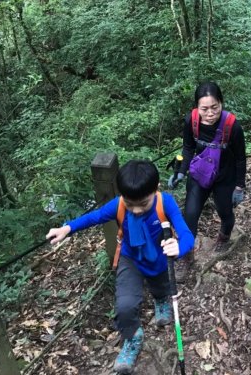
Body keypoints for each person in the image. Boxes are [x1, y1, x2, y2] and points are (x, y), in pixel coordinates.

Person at [46, 160, 194, 374]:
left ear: (156, 188)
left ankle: (161, 301)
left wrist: (179, 247)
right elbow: (94, 217)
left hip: (160, 258)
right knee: (124, 306)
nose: (135, 209)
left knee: (161, 287)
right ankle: (132, 337)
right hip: (130, 259)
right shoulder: (119, 205)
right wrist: (67, 228)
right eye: (129, 202)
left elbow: (187, 234)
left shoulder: (165, 203)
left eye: (142, 204)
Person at [169, 82, 246, 281]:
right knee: (190, 215)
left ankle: (224, 237)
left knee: (225, 211)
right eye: (204, 109)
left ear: (221, 103)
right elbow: (187, 147)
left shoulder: (232, 126)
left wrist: (240, 185)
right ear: (197, 107)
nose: (210, 113)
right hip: (199, 173)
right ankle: (186, 256)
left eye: (214, 107)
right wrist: (181, 172)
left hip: (224, 176)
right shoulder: (191, 121)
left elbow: (240, 158)